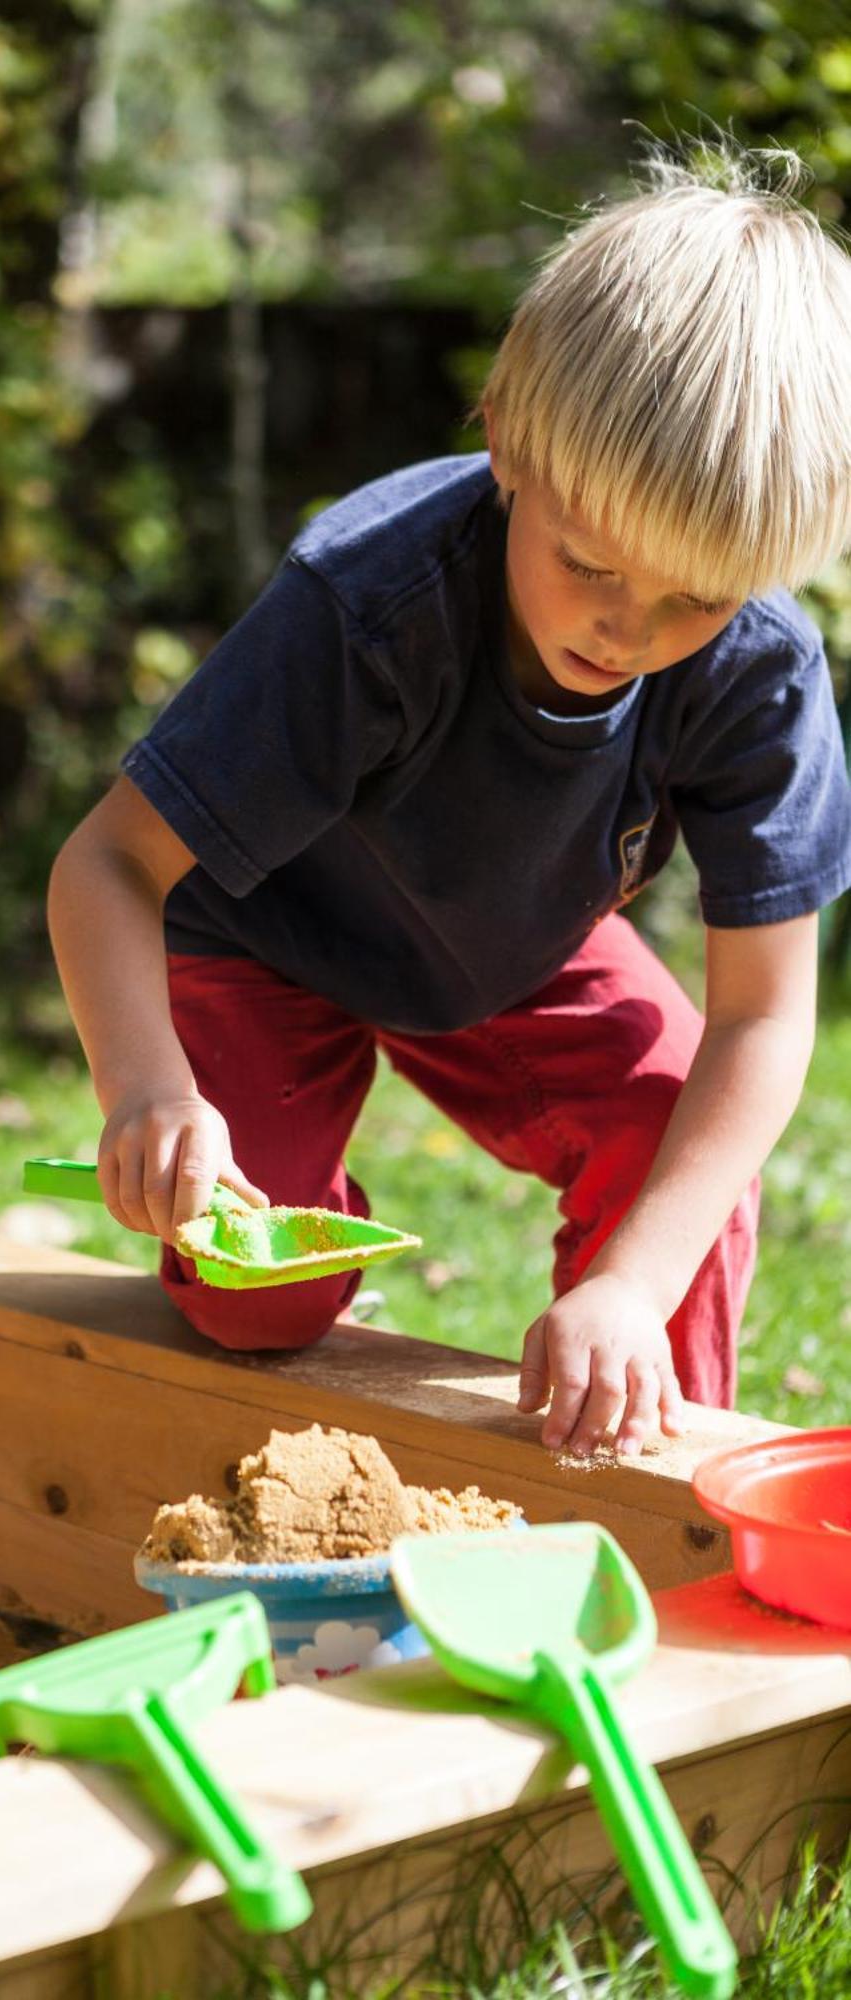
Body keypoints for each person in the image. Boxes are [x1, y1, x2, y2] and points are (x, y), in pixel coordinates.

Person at [46, 145, 851, 1459]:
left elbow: (762, 1020)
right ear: (503, 444)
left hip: (513, 931)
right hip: (265, 929)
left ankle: (649, 1459)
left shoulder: (757, 666)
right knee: (268, 1301)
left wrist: (627, 1290)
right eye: (584, 562)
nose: (625, 626)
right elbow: (107, 866)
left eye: (691, 600)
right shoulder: (368, 600)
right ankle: (275, 1180)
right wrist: (146, 1093)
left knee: (668, 1136)